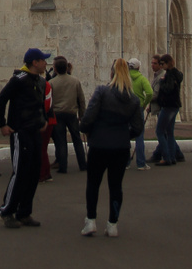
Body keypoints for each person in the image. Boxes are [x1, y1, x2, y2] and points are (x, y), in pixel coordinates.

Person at [79, 58, 143, 237]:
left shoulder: (102, 91)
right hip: (120, 148)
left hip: (99, 145)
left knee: (93, 183)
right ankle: (112, 224)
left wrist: (85, 128)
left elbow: (89, 115)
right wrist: (123, 134)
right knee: (116, 186)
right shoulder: (133, 100)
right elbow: (138, 128)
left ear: (111, 73)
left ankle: (91, 221)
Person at [0, 47, 51, 228]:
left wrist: (43, 120)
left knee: (34, 172)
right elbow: (1, 100)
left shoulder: (41, 81)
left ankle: (24, 212)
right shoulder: (18, 80)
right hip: (20, 132)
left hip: (35, 131)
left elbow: (40, 104)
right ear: (35, 62)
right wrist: (2, 123)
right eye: (43, 60)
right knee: (20, 172)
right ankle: (6, 210)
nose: (45, 63)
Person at [49, 56, 87, 173]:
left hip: (57, 114)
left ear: (55, 69)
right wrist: (82, 114)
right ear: (67, 67)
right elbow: (81, 99)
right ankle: (82, 164)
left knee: (61, 141)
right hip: (71, 113)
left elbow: (49, 101)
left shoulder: (51, 83)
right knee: (77, 139)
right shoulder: (75, 81)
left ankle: (63, 166)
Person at [148, 53, 185, 164]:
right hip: (174, 105)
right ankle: (173, 157)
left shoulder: (168, 75)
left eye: (162, 63)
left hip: (168, 105)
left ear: (168, 63)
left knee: (160, 131)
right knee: (169, 132)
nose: (161, 65)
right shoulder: (176, 74)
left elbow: (167, 89)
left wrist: (163, 82)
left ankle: (166, 157)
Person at [127, 58, 153, 169]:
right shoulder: (141, 78)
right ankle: (141, 163)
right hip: (138, 108)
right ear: (138, 67)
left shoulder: (125, 79)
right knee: (139, 135)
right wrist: (145, 104)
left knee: (125, 135)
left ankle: (125, 163)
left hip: (127, 108)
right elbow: (150, 93)